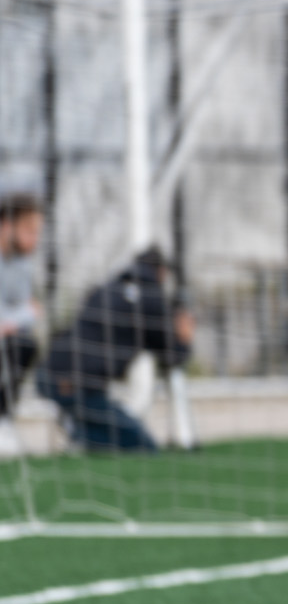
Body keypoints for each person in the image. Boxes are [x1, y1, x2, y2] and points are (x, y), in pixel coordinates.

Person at [36, 246, 192, 453]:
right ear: (162, 272)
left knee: (113, 433)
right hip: (77, 385)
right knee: (144, 446)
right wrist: (185, 337)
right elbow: (173, 357)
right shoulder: (152, 298)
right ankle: (79, 432)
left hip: (50, 373)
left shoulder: (107, 287)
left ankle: (78, 427)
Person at [0, 193, 44, 448]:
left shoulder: (22, 265)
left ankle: (3, 421)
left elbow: (28, 316)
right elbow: (26, 311)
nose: (34, 239)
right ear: (7, 224)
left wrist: (14, 318)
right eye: (29, 230)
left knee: (23, 345)